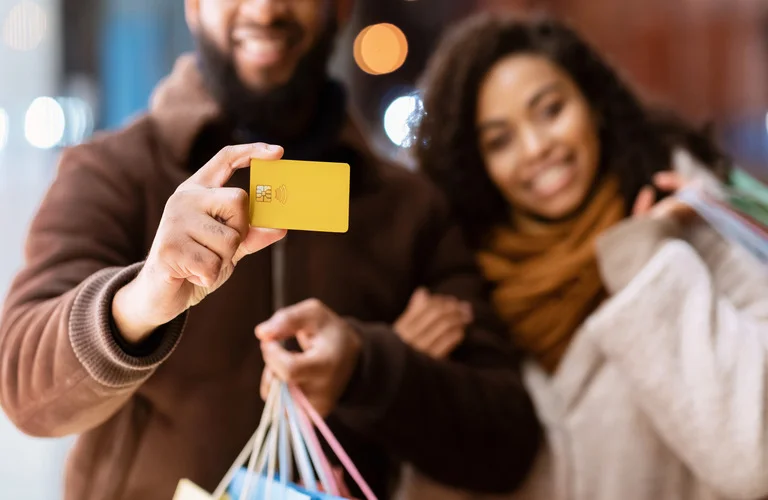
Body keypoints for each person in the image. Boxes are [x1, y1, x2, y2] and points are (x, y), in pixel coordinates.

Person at [0, 2, 542, 500]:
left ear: (343, 6)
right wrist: (140, 301)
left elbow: (505, 444)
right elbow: (24, 392)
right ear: (192, 5)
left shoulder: (410, 208)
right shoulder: (111, 173)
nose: (264, 9)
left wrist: (367, 367)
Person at [393, 12, 768, 500]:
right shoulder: (468, 284)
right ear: (477, 164)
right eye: (500, 140)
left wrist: (648, 266)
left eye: (550, 110)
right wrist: (409, 379)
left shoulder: (696, 225)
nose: (536, 148)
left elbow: (753, 457)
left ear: (592, 104)